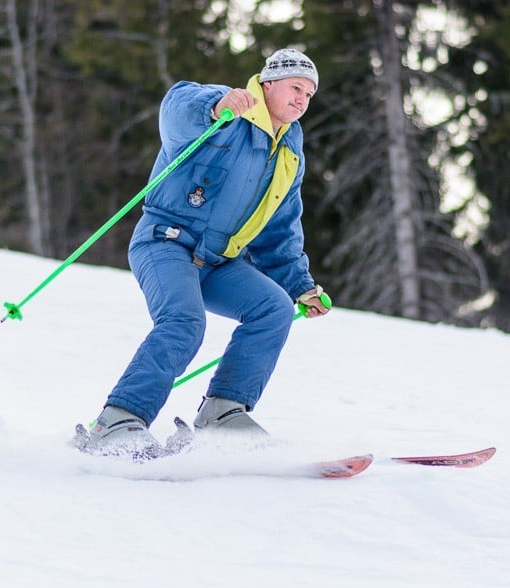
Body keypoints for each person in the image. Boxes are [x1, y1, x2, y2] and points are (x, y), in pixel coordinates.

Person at [78, 48, 331, 458]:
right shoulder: (230, 108)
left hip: (219, 261)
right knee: (184, 321)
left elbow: (280, 229)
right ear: (268, 84)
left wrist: (299, 285)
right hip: (165, 242)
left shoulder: (290, 152)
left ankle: (223, 413)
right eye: (295, 88)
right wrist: (213, 107)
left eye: (309, 94)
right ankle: (118, 422)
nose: (302, 100)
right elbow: (174, 109)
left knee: (274, 309)